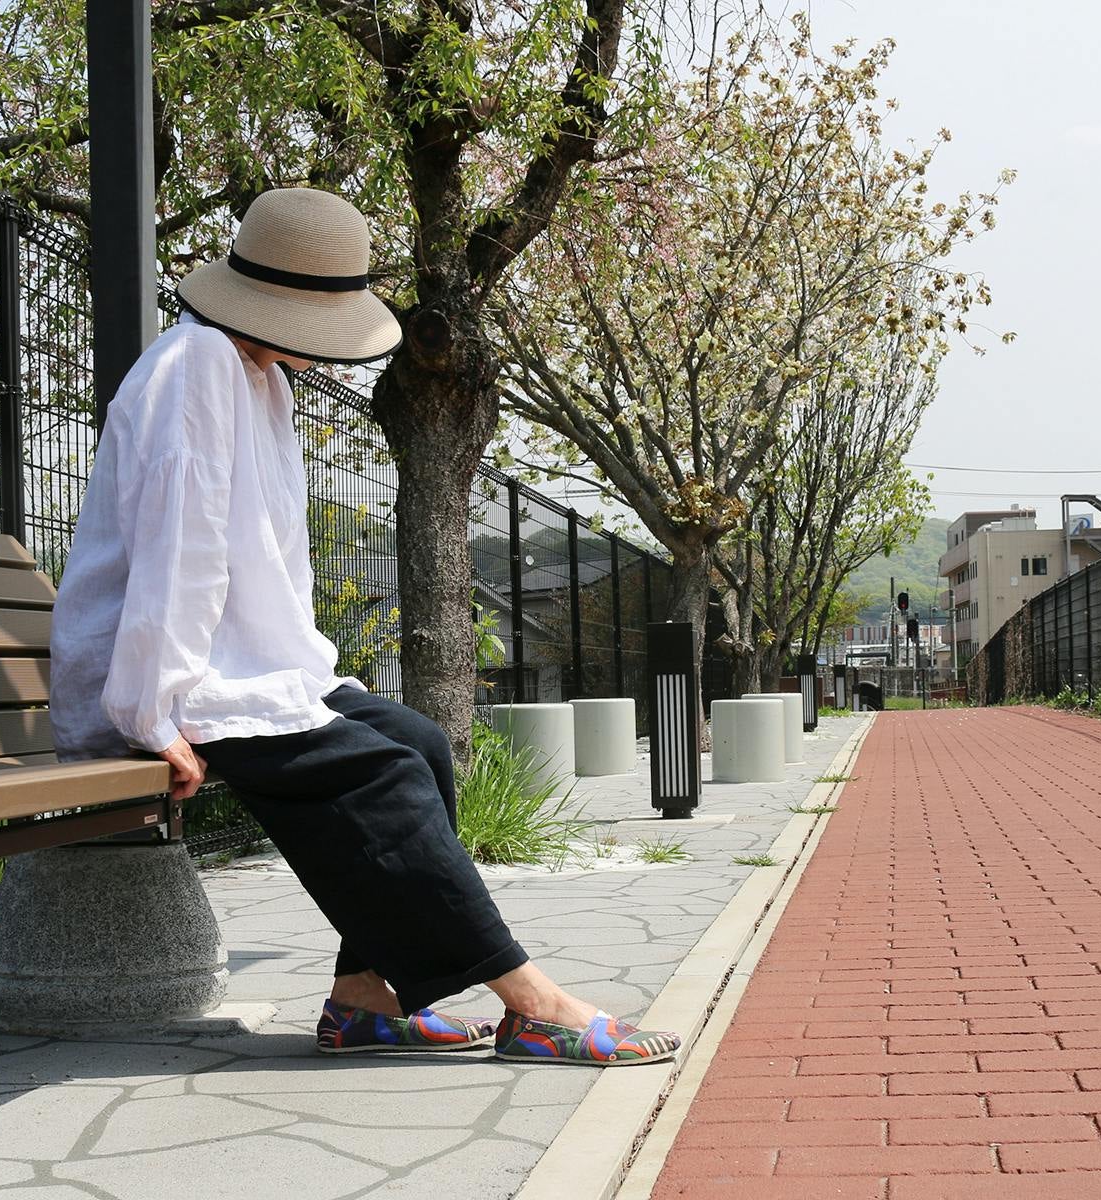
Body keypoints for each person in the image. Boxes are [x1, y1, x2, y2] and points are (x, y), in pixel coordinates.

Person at [50, 187, 679, 1066]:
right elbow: (177, 550)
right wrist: (151, 713)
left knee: (416, 740)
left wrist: (311, 678)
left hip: (231, 665)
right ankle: (534, 1005)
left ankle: (363, 998)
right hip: (166, 676)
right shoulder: (195, 368)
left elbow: (259, 559)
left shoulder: (257, 377)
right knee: (381, 773)